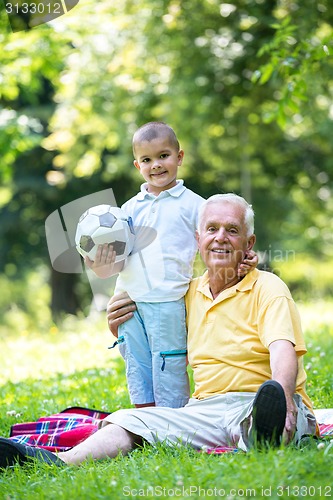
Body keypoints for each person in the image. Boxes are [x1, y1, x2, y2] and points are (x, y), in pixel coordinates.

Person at [0, 193, 317, 468]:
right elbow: (156, 334)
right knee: (129, 420)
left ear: (248, 244)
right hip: (205, 410)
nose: (220, 237)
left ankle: (268, 429)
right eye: (212, 229)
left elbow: (282, 349)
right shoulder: (184, 294)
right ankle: (55, 461)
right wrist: (119, 326)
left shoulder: (267, 287)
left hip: (260, 401)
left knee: (263, 415)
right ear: (198, 239)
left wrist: (286, 399)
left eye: (232, 231)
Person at [85, 121, 256, 409]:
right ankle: (145, 419)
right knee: (136, 364)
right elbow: (116, 263)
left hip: (167, 301)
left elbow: (219, 237)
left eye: (163, 156)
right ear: (136, 164)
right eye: (147, 160)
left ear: (179, 157)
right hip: (128, 301)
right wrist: (98, 264)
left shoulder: (196, 206)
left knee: (169, 364)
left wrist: (245, 258)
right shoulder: (127, 210)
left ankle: (172, 420)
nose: (156, 165)